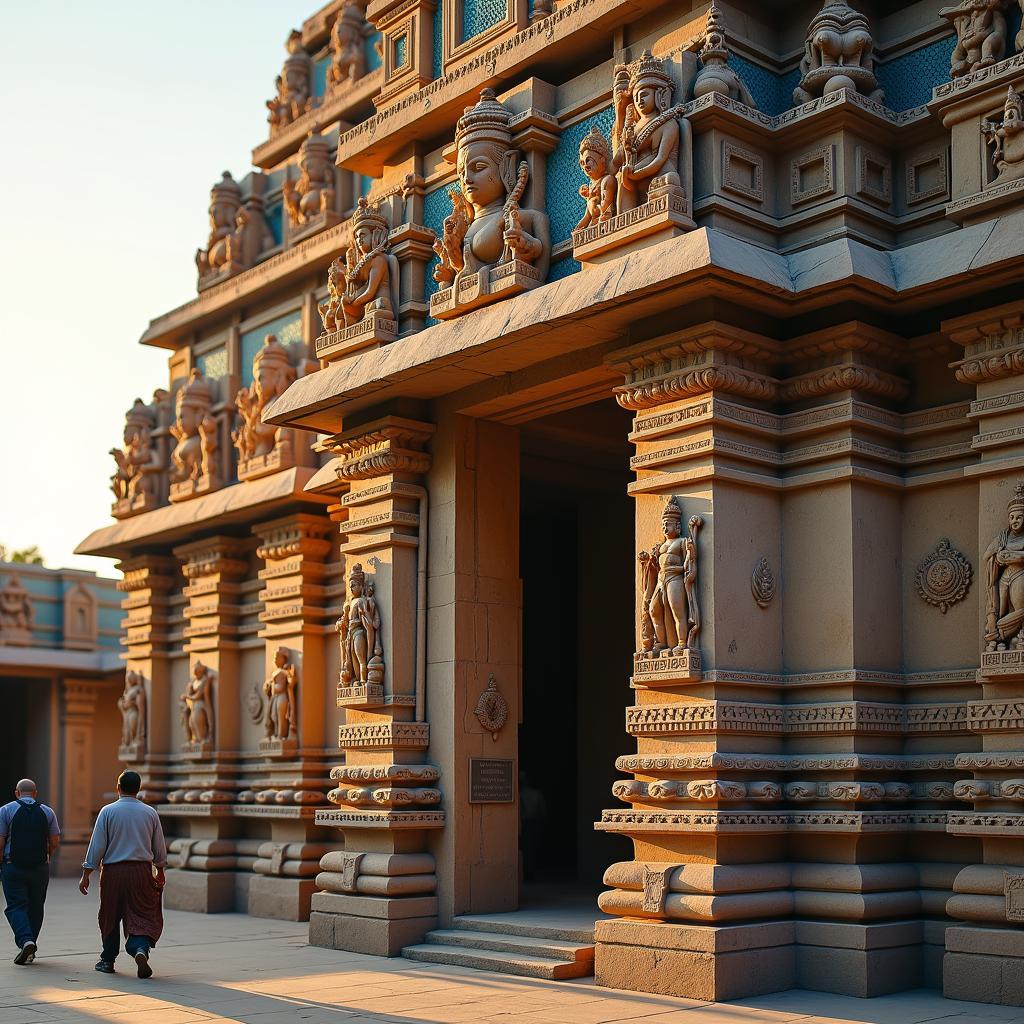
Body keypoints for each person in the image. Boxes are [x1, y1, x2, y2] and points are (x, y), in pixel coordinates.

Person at [79, 770, 167, 978]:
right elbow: (159, 846)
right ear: (139, 789)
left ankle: (107, 960)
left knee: (110, 914)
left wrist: (86, 873)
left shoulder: (108, 811)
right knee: (142, 913)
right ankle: (139, 949)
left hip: (113, 873)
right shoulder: (150, 813)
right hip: (141, 872)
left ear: (118, 787)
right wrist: (160, 869)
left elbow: (97, 846)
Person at [0, 779, 60, 965]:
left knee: (16, 906)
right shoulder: (47, 811)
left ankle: (26, 941)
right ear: (35, 793)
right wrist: (47, 855)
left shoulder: (5, 811)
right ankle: (31, 945)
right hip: (40, 868)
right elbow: (55, 840)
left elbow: (0, 842)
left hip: (13, 866)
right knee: (36, 907)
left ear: (17, 792)